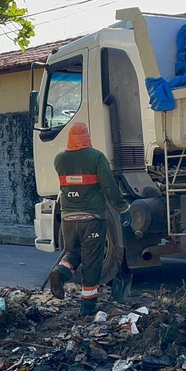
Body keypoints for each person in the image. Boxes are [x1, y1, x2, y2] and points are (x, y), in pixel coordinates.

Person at [47, 122, 130, 316]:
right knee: (92, 261)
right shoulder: (96, 157)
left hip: (68, 219)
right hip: (92, 218)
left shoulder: (59, 159)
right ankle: (88, 305)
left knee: (73, 253)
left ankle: (59, 273)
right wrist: (123, 208)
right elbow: (109, 187)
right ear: (87, 137)